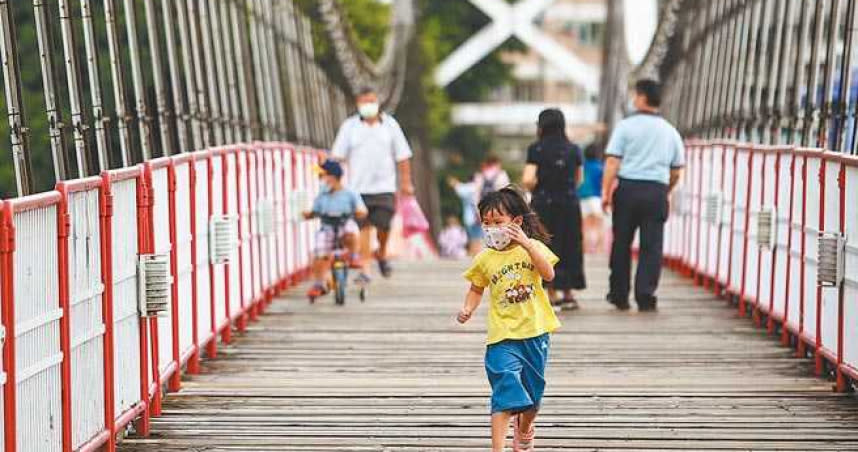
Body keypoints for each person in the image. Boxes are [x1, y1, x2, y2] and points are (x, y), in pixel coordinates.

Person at [456, 187, 560, 452]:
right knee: (504, 389)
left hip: (535, 332)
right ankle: (498, 449)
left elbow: (548, 275)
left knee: (533, 396)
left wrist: (527, 244)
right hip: (502, 335)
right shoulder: (484, 258)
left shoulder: (533, 248)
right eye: (486, 223)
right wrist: (468, 308)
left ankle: (525, 428)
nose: (491, 229)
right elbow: (476, 288)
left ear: (517, 222)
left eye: (498, 222)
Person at [602, 79, 685, 312]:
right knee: (652, 246)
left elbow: (612, 161)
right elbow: (676, 171)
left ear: (640, 98)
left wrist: (606, 192)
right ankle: (645, 295)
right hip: (656, 191)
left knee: (621, 244)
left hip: (628, 190)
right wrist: (665, 190)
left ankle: (619, 295)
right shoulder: (670, 131)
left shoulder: (625, 127)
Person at [331, 86, 415, 282]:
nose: (368, 106)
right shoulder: (349, 127)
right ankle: (366, 269)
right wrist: (332, 181)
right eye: (364, 102)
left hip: (385, 187)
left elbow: (403, 156)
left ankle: (382, 253)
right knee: (364, 228)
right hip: (357, 189)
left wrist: (406, 183)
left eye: (371, 101)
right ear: (358, 104)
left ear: (378, 102)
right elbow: (338, 156)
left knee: (384, 227)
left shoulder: (390, 125)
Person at [522, 109, 586, 310]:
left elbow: (528, 179)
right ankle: (568, 293)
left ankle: (551, 293)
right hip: (569, 203)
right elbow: (579, 179)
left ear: (542, 126)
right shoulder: (574, 149)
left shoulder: (536, 149)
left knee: (546, 245)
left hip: (543, 204)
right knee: (570, 244)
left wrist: (539, 186)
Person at [303, 160, 368, 298]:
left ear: (332, 177)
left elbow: (362, 210)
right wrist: (308, 214)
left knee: (351, 232)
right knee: (320, 253)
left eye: (323, 176)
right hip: (327, 227)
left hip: (344, 223)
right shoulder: (322, 195)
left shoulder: (350, 193)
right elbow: (314, 211)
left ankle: (353, 255)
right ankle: (319, 283)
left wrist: (358, 212)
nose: (321, 180)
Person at [579, 138, 606, 254]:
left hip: (583, 198)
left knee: (585, 227)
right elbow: (604, 183)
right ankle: (599, 250)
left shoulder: (582, 166)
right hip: (596, 198)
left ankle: (585, 250)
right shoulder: (601, 166)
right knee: (599, 225)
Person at [448, 176, 483, 256]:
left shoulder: (468, 188)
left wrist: (456, 183)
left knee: (473, 236)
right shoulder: (476, 186)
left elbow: (460, 189)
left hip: (470, 216)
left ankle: (474, 253)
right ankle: (477, 253)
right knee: (477, 236)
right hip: (478, 215)